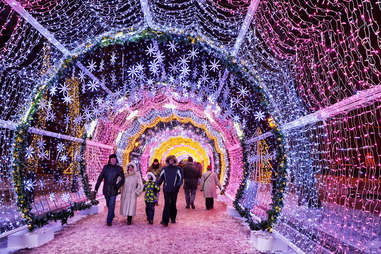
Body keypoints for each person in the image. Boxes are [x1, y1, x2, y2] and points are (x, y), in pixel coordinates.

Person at [94, 154, 125, 226]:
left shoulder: (119, 168)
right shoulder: (105, 167)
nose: (113, 160)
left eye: (114, 159)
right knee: (108, 204)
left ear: (116, 160)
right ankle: (112, 214)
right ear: (110, 160)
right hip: (106, 190)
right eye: (112, 159)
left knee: (112, 205)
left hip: (114, 190)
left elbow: (123, 179)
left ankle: (109, 220)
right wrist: (96, 188)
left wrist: (117, 186)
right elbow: (100, 178)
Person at [156, 155, 183, 226]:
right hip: (166, 189)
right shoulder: (164, 169)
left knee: (173, 203)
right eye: (170, 160)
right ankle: (165, 220)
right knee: (167, 204)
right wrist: (156, 185)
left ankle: (173, 217)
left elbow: (180, 179)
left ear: (174, 161)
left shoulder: (178, 169)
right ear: (168, 161)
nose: (171, 161)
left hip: (174, 190)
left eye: (172, 160)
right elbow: (161, 178)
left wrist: (177, 185)